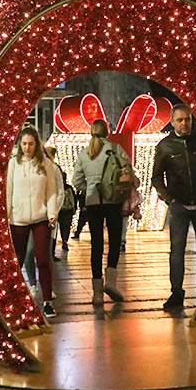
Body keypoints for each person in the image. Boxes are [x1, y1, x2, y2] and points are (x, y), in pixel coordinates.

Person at [152, 104, 196, 308]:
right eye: (180, 120)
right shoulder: (165, 146)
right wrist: (168, 199)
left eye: (188, 119)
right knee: (177, 250)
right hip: (179, 206)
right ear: (172, 122)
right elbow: (156, 177)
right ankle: (176, 293)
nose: (184, 123)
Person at [75, 119, 134, 306]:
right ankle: (111, 283)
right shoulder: (115, 149)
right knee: (115, 241)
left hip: (93, 203)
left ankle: (97, 294)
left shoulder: (85, 154)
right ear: (107, 132)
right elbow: (128, 172)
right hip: (113, 201)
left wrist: (90, 187)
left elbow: (77, 181)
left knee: (96, 245)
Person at [8, 128, 59, 318]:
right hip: (18, 219)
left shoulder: (46, 165)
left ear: (37, 144)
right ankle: (13, 300)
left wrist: (52, 212)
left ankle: (47, 301)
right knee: (18, 259)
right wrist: (8, 214)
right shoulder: (14, 164)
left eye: (30, 143)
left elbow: (51, 191)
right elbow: (8, 191)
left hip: (40, 217)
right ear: (20, 145)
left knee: (43, 259)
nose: (27, 147)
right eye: (24, 144)